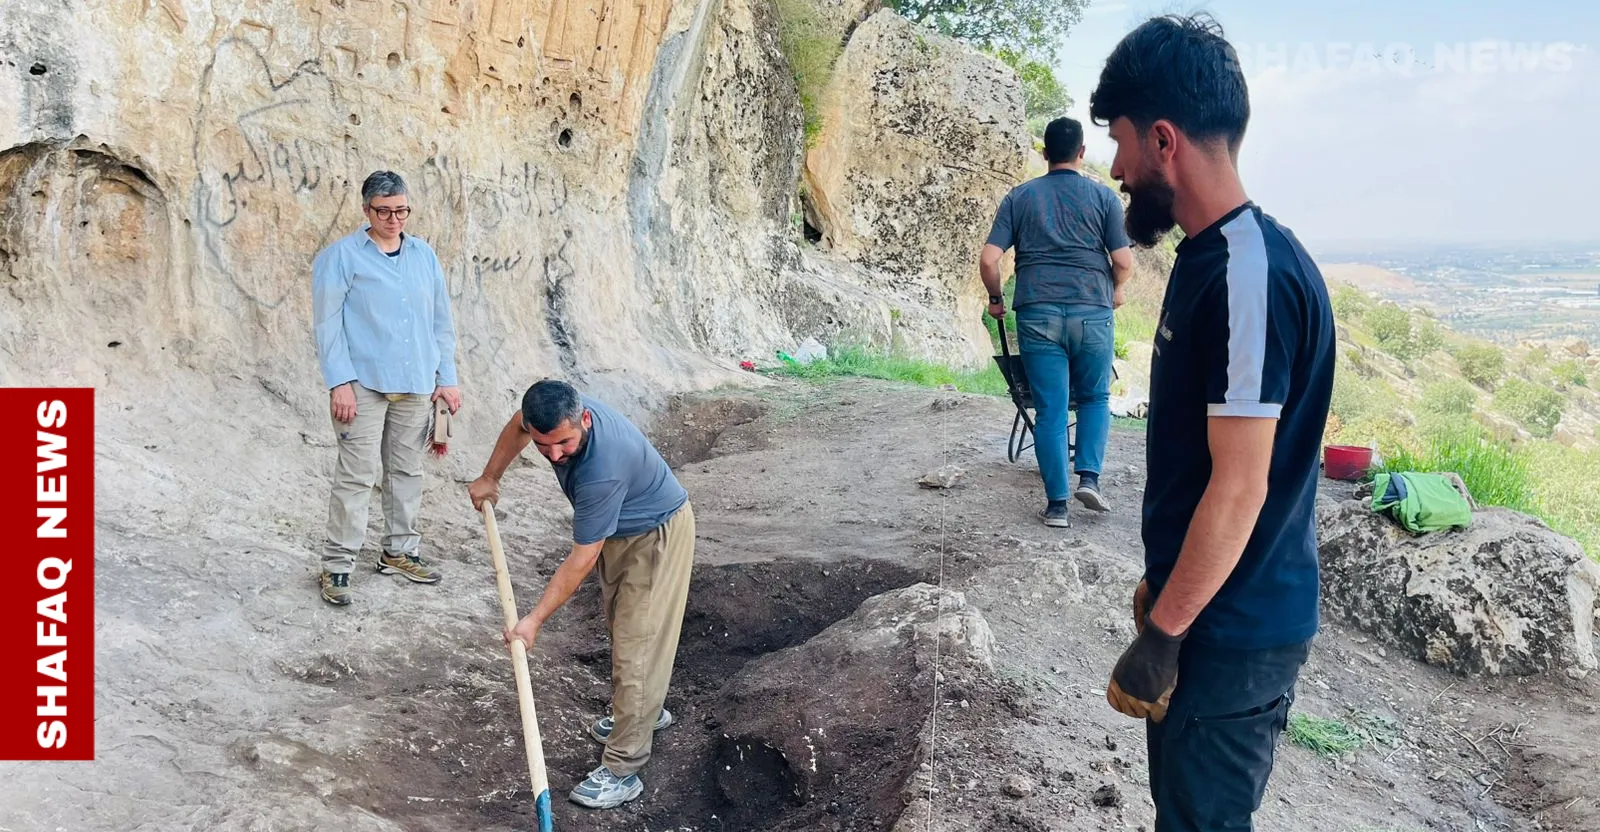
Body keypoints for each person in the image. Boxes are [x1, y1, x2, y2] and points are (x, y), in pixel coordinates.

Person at [1089, 13, 1335, 832]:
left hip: (1231, 635)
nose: (1115, 168)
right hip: (1212, 616)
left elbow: (1240, 484)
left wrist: (1165, 633)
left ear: (1163, 140)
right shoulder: (1212, 258)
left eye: (1120, 142)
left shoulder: (1247, 276)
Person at [468, 379, 694, 810]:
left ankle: (624, 769)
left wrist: (532, 621)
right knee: (625, 629)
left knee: (638, 646)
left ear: (584, 420)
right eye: (544, 445)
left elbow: (579, 560)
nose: (555, 455)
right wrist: (488, 477)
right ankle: (643, 714)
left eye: (564, 443)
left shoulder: (601, 471)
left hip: (655, 535)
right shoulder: (550, 415)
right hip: (622, 530)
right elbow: (518, 426)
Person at [311, 170, 462, 606]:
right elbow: (327, 326)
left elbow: (440, 322)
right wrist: (339, 382)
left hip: (415, 382)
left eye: (401, 210)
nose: (394, 219)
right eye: (384, 211)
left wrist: (446, 378)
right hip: (363, 384)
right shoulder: (340, 258)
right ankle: (338, 565)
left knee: (406, 472)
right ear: (366, 211)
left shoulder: (424, 256)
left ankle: (399, 551)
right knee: (356, 477)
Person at [980, 116, 1135, 528]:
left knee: (1049, 409)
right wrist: (1115, 290)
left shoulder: (1020, 197)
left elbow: (989, 259)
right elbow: (1123, 262)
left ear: (1045, 153)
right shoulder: (1104, 199)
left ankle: (1057, 507)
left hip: (1037, 312)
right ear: (1082, 153)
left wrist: (996, 299)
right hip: (1091, 312)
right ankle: (1089, 478)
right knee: (1095, 398)